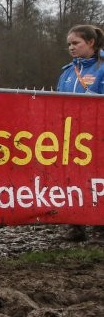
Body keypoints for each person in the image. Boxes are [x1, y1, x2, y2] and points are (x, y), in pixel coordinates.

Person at [55, 24, 104, 244]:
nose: (71, 48)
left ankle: (100, 226)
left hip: (97, 134)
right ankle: (75, 225)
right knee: (72, 178)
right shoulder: (66, 71)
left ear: (91, 42)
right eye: (69, 44)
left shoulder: (102, 68)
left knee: (97, 179)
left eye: (76, 43)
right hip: (71, 136)